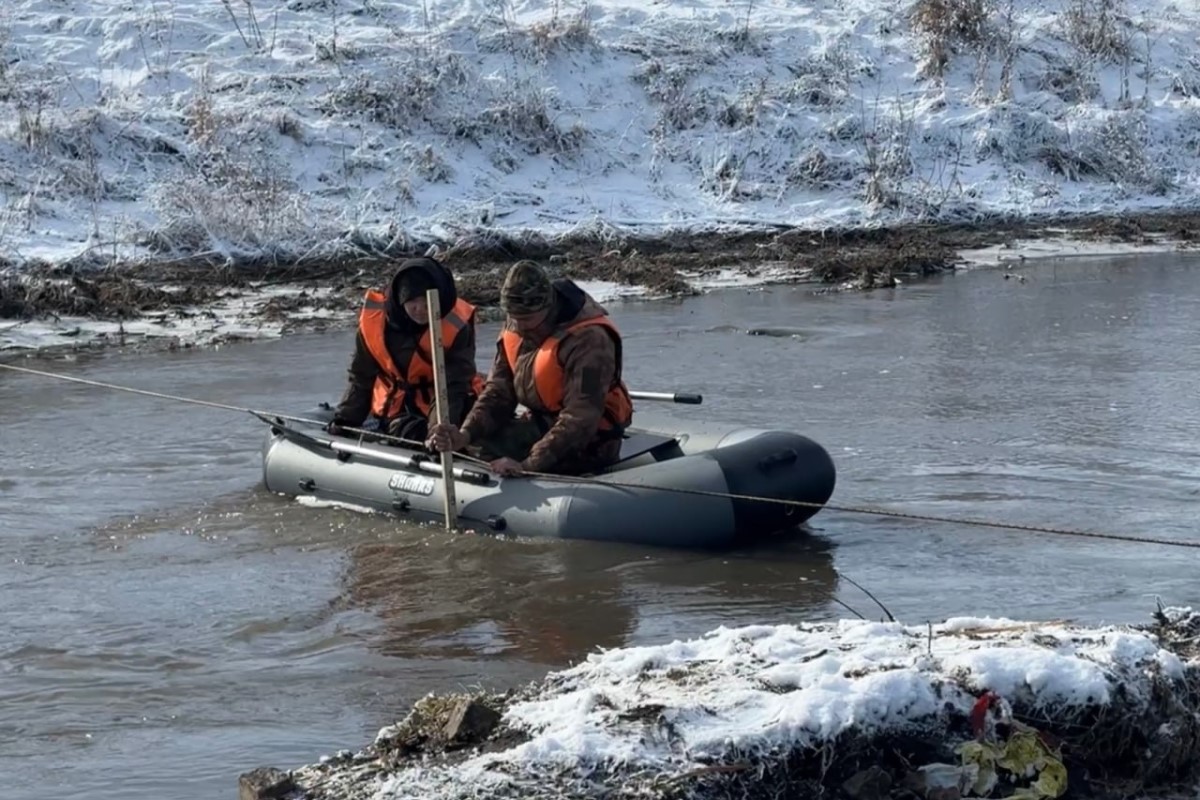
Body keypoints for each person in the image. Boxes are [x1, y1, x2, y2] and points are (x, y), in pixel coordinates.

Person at [426, 260, 634, 476]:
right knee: (476, 443)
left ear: (548, 307)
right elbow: (498, 392)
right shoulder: (516, 325)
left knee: (491, 449)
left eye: (527, 319)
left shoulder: (590, 341)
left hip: (592, 439)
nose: (519, 326)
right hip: (542, 422)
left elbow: (582, 416)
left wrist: (527, 465)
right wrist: (465, 434)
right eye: (514, 318)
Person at [328, 256, 483, 444]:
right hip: (397, 409)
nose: (420, 310)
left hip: (445, 403)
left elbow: (454, 386)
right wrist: (345, 420)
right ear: (401, 300)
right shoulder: (376, 323)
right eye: (412, 302)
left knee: (476, 427)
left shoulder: (456, 326)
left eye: (426, 303)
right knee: (408, 431)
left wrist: (438, 431)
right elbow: (361, 377)